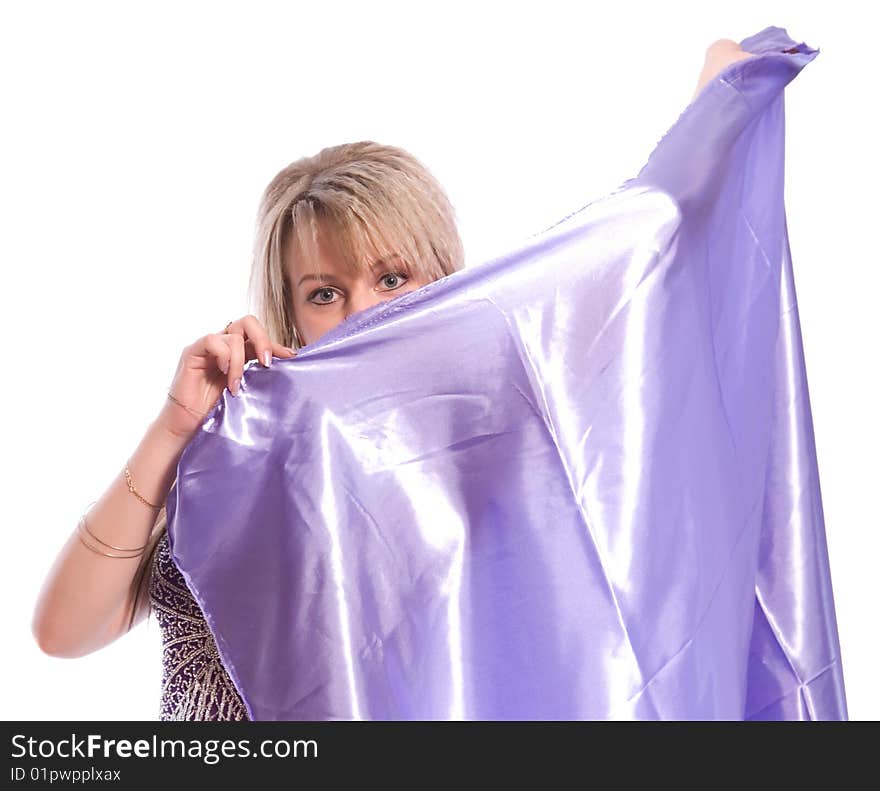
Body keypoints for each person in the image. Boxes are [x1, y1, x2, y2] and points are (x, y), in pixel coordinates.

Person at [31, 39, 753, 721]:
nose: (360, 311)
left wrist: (712, 118)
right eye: (324, 292)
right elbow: (62, 632)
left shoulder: (492, 451)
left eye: (390, 276)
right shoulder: (241, 454)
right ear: (291, 310)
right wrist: (175, 429)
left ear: (441, 282)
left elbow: (624, 302)